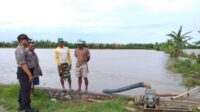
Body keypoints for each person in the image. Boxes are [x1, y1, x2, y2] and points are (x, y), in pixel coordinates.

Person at [15, 34, 38, 112]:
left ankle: (21, 105)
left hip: (25, 71)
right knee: (26, 90)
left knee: (23, 89)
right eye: (27, 40)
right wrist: (30, 74)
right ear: (22, 40)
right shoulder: (20, 50)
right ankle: (27, 108)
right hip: (24, 72)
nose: (28, 41)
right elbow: (23, 64)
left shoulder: (24, 49)